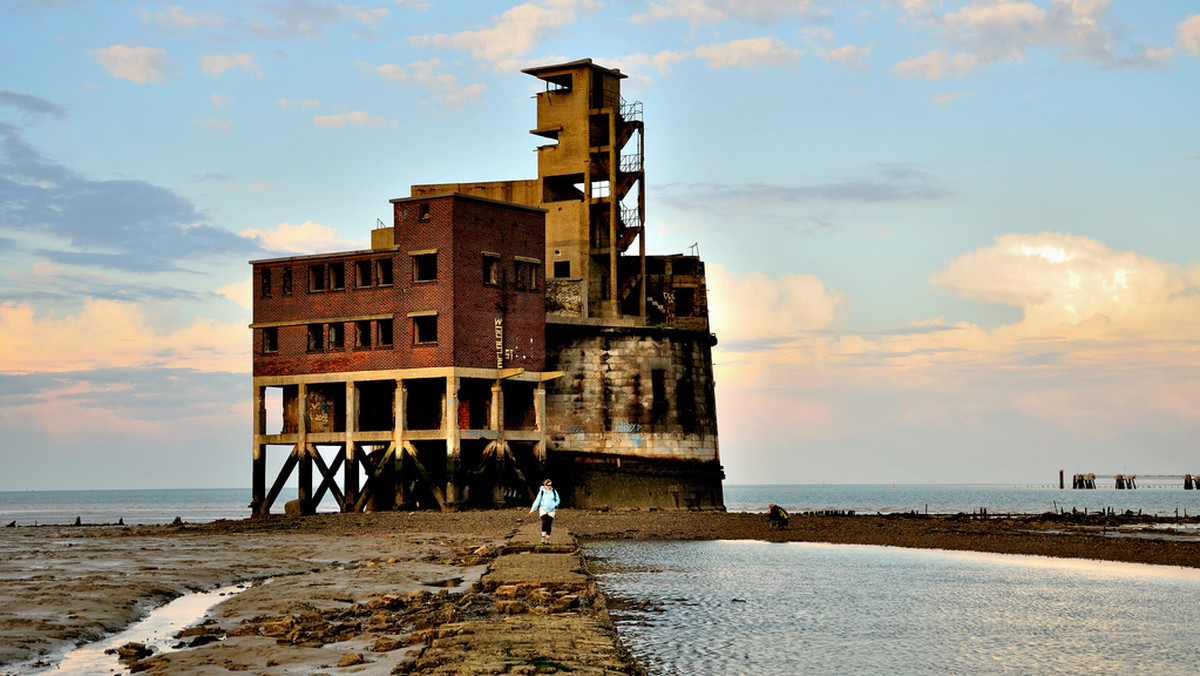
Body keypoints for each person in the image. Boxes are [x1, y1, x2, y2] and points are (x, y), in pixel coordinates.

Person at [529, 479, 560, 543]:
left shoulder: (554, 491)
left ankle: (547, 539)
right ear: (545, 485)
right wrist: (532, 510)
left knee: (549, 524)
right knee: (544, 522)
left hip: (551, 510)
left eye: (550, 485)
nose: (549, 486)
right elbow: (537, 501)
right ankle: (543, 539)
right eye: (548, 485)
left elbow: (558, 500)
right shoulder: (542, 492)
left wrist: (555, 504)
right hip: (543, 509)